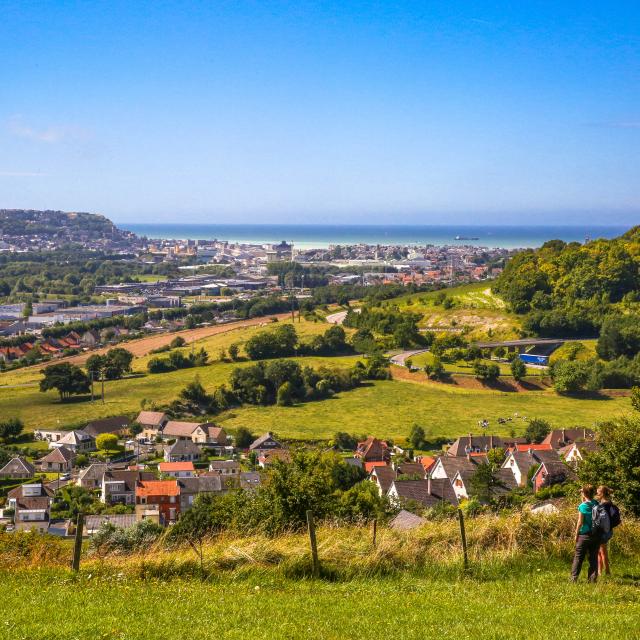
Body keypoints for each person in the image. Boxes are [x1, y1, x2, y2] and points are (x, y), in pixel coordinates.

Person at [570, 484, 599, 583]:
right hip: (596, 535)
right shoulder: (596, 504)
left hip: (584, 535)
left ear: (584, 493)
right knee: (593, 558)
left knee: (578, 557)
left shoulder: (582, 506)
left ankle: (573, 579)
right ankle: (592, 580)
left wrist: (576, 534)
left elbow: (580, 522)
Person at [595, 485, 621, 576]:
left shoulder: (603, 505)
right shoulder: (609, 503)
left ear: (602, 493)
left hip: (603, 531)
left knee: (603, 552)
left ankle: (607, 572)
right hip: (608, 530)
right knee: (599, 551)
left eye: (598, 492)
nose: (596, 493)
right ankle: (600, 571)